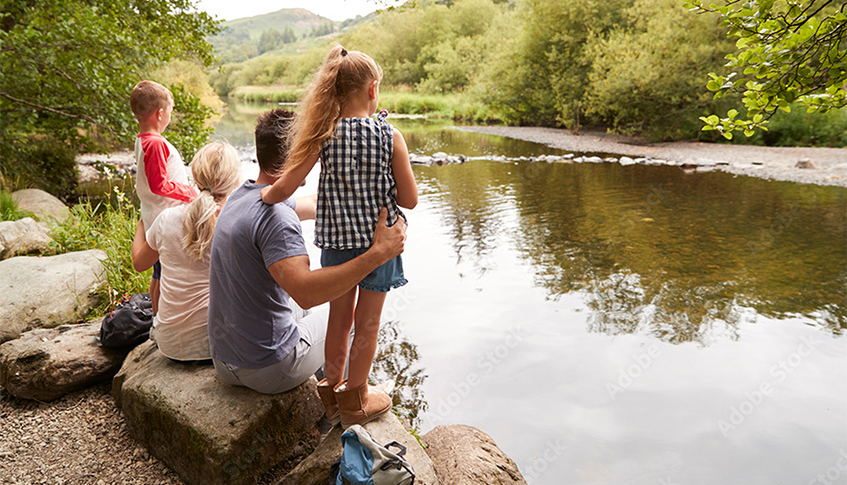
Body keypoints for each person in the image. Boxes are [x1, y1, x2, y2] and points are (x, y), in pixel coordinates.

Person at [207, 108, 407, 426]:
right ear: (300, 154)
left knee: (313, 312)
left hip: (225, 361)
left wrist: (353, 199)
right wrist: (378, 253)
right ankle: (345, 405)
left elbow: (309, 204)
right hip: (268, 370)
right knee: (351, 318)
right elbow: (307, 294)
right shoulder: (277, 220)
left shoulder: (241, 196)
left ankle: (330, 389)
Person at [260, 46, 418, 428]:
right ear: (372, 89)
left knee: (338, 321)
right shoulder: (389, 135)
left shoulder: (323, 134)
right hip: (381, 246)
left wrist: (262, 196)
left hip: (336, 247)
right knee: (368, 326)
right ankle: (356, 399)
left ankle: (332, 394)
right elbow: (410, 200)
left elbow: (283, 188)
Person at [131, 141, 241, 363]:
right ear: (235, 182)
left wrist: (141, 227)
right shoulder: (236, 224)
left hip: (168, 343)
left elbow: (140, 264)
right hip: (214, 344)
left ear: (194, 176)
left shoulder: (166, 220)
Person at [130, 80, 198, 314]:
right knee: (163, 273)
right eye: (170, 111)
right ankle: (159, 320)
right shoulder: (156, 143)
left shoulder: (142, 139)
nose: (170, 115)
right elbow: (159, 185)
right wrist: (191, 193)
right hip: (163, 218)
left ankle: (158, 318)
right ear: (160, 114)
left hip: (154, 215)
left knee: (158, 273)